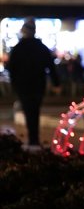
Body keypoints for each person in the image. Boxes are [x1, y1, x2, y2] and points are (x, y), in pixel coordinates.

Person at [7, 19, 61, 147]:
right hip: (37, 85)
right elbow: (51, 67)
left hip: (23, 86)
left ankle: (32, 138)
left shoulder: (17, 49)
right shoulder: (41, 48)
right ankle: (34, 139)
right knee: (35, 110)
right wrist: (56, 83)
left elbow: (11, 68)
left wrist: (14, 84)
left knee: (28, 110)